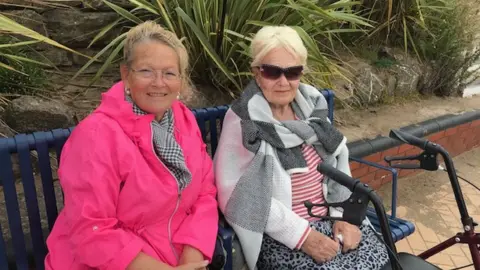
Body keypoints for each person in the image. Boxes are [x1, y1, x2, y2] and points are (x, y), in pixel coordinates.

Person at [44, 21, 218, 270]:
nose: (159, 83)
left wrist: (193, 257)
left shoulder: (183, 119)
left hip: (176, 255)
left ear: (180, 80)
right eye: (146, 71)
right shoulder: (96, 136)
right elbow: (92, 231)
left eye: (169, 73)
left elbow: (204, 193)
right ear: (126, 75)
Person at [213, 25, 389, 270]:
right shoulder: (244, 122)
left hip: (330, 220)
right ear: (256, 73)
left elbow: (339, 165)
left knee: (382, 260)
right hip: (282, 235)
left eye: (292, 72)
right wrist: (303, 236)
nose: (283, 82)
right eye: (272, 72)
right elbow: (240, 195)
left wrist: (344, 218)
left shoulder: (312, 107)